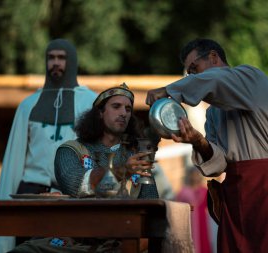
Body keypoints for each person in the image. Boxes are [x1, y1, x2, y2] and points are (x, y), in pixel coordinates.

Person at [145, 38, 268, 253]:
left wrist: (169, 90)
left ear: (213, 57)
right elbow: (218, 163)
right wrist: (197, 141)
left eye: (195, 69)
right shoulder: (212, 113)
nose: (193, 77)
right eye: (189, 74)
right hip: (236, 192)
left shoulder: (251, 77)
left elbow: (216, 80)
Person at [8, 83, 160, 253]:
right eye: (116, 106)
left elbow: (152, 210)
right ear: (100, 113)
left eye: (128, 109)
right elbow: (78, 186)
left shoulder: (136, 157)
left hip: (121, 241)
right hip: (74, 238)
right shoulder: (72, 150)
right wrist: (123, 169)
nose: (123, 113)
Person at [0, 39, 97, 253]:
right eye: (51, 57)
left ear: (71, 61)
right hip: (29, 194)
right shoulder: (28, 105)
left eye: (61, 58)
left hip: (69, 196)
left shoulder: (90, 103)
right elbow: (14, 158)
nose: (55, 63)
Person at [176, 166, 211, 253]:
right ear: (189, 176)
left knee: (203, 242)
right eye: (193, 174)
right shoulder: (184, 192)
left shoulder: (204, 191)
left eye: (197, 174)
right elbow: (178, 207)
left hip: (202, 224)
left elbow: (211, 207)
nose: (195, 176)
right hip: (188, 223)